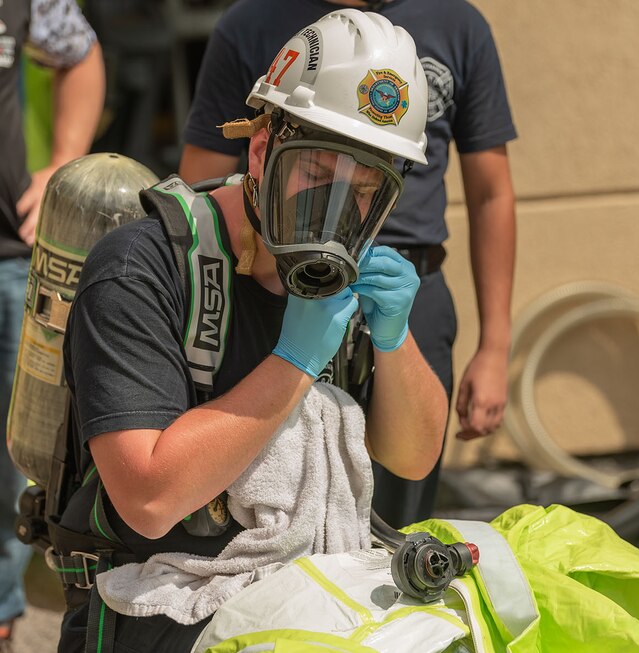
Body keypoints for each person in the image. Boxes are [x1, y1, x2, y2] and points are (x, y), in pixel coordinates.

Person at [56, 10, 447, 652]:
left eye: (365, 191)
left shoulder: (358, 275)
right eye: (316, 177)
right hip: (153, 613)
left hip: (308, 605)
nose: (335, 211)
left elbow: (412, 456)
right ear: (262, 150)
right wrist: (294, 361)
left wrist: (395, 339)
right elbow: (148, 498)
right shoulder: (140, 266)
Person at [180, 0, 517, 528]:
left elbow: (491, 192)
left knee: (398, 511)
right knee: (266, 487)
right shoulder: (253, 23)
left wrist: (495, 347)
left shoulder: (457, 24)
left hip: (401, 285)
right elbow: (201, 179)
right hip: (275, 278)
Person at [0, 0, 104, 647]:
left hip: (8, 256)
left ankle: (3, 606)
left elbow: (80, 54)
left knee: (14, 455)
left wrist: (66, 157)